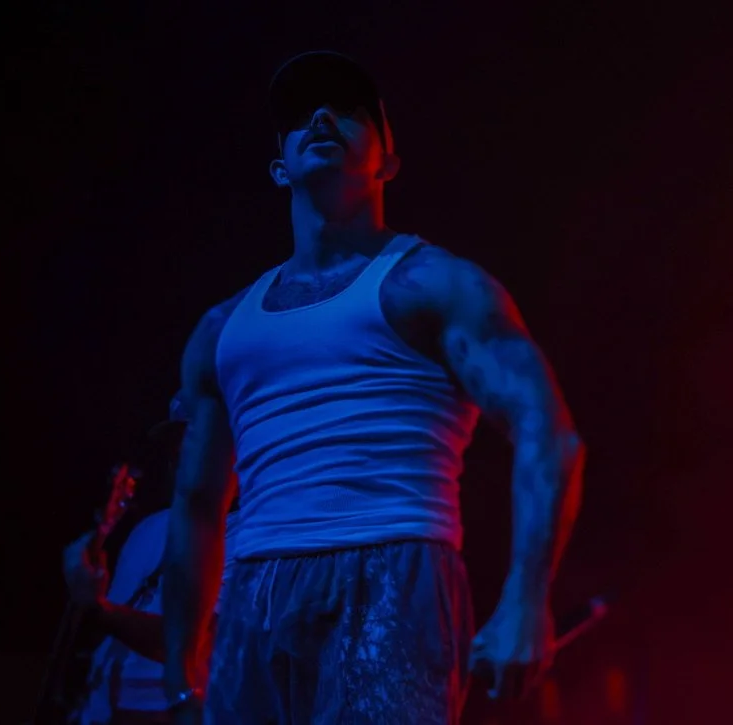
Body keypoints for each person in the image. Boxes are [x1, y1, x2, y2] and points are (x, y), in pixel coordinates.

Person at [161, 51, 586, 724]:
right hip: (255, 589)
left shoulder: (438, 285)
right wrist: (180, 666)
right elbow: (196, 499)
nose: (322, 118)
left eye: (349, 109)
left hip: (394, 569)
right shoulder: (220, 328)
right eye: (301, 115)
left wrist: (525, 600)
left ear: (388, 159)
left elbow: (548, 432)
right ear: (279, 166)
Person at [63, 396, 237, 725]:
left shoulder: (245, 533)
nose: (180, 454)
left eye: (197, 439)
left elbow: (193, 642)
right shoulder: (147, 528)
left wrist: (97, 608)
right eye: (175, 443)